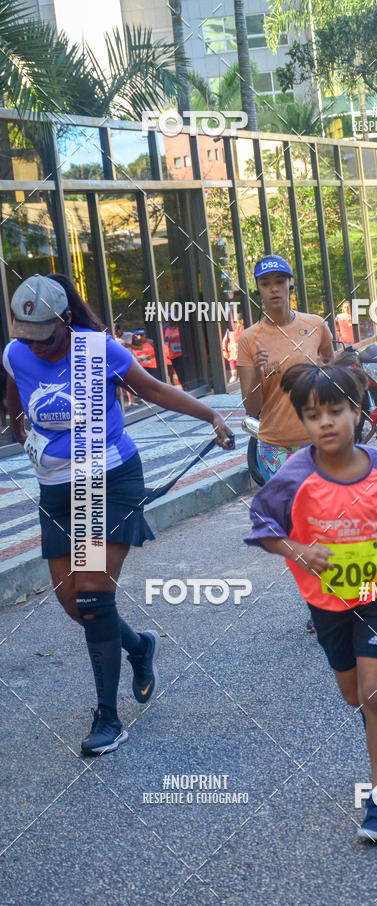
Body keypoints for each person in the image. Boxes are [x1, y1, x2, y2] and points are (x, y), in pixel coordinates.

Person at [3, 273, 234, 756]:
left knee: (91, 594)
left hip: (108, 477)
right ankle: (138, 647)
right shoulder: (16, 354)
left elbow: (153, 390)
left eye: (45, 337)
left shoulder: (97, 350)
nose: (37, 348)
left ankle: (108, 717)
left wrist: (211, 416)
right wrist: (25, 438)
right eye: (28, 337)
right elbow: (16, 404)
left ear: (65, 322)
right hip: (55, 490)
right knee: (73, 603)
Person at [244, 361, 377, 843]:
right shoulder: (293, 475)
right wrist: (298, 550)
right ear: (303, 423)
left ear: (356, 412)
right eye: (312, 414)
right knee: (353, 695)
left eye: (334, 410)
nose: (325, 422)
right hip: (326, 601)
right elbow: (263, 526)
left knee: (375, 692)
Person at [237, 255, 334, 482]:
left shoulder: (315, 325)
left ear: (290, 285)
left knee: (323, 511)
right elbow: (251, 408)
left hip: (319, 440)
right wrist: (259, 373)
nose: (274, 289)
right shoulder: (249, 339)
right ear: (258, 289)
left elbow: (333, 366)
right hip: (275, 447)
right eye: (266, 283)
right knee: (292, 512)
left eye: (280, 281)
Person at [163, 313, 185, 388]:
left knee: (184, 371)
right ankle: (181, 387)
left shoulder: (181, 327)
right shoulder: (164, 329)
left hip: (183, 354)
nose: (171, 320)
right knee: (176, 372)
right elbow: (163, 341)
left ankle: (186, 386)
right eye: (170, 318)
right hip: (172, 355)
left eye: (173, 318)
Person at [222, 312, 245, 383]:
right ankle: (234, 377)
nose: (238, 325)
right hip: (232, 353)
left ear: (243, 321)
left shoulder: (245, 329)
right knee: (233, 371)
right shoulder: (230, 330)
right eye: (236, 323)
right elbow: (224, 341)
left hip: (243, 354)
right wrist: (224, 350)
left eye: (240, 323)